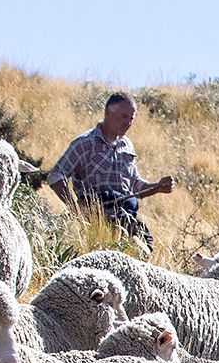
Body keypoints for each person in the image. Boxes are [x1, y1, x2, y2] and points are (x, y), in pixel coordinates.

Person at [45, 91, 173, 254]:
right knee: (127, 250)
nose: (128, 123)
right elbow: (56, 175)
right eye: (123, 116)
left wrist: (157, 187)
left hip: (127, 213)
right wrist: (75, 210)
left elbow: (134, 184)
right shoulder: (85, 143)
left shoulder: (127, 145)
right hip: (98, 217)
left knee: (146, 249)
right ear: (108, 113)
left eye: (131, 118)